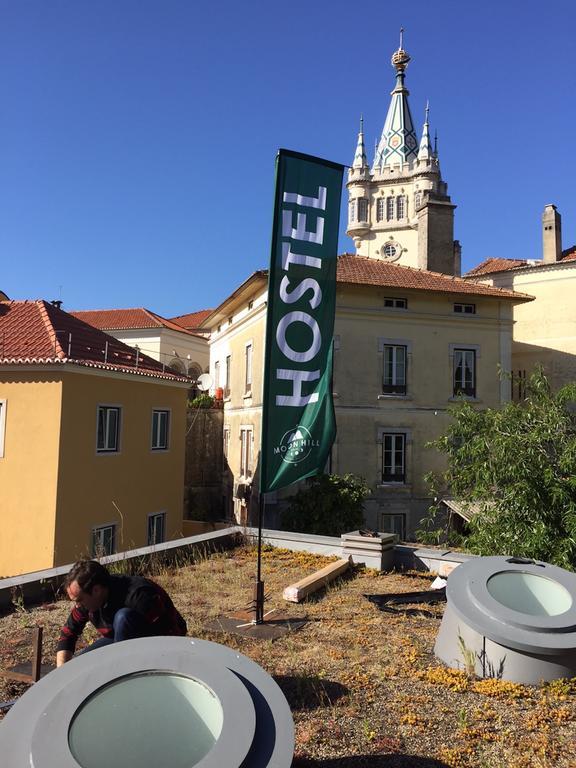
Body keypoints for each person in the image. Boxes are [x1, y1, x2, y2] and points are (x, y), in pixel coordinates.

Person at [56, 560, 187, 667]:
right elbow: (68, 634)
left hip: (157, 644)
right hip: (120, 641)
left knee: (123, 618)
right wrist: (61, 672)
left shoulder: (140, 596)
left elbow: (171, 636)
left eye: (79, 600)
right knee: (81, 666)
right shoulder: (87, 600)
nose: (77, 606)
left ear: (96, 590)